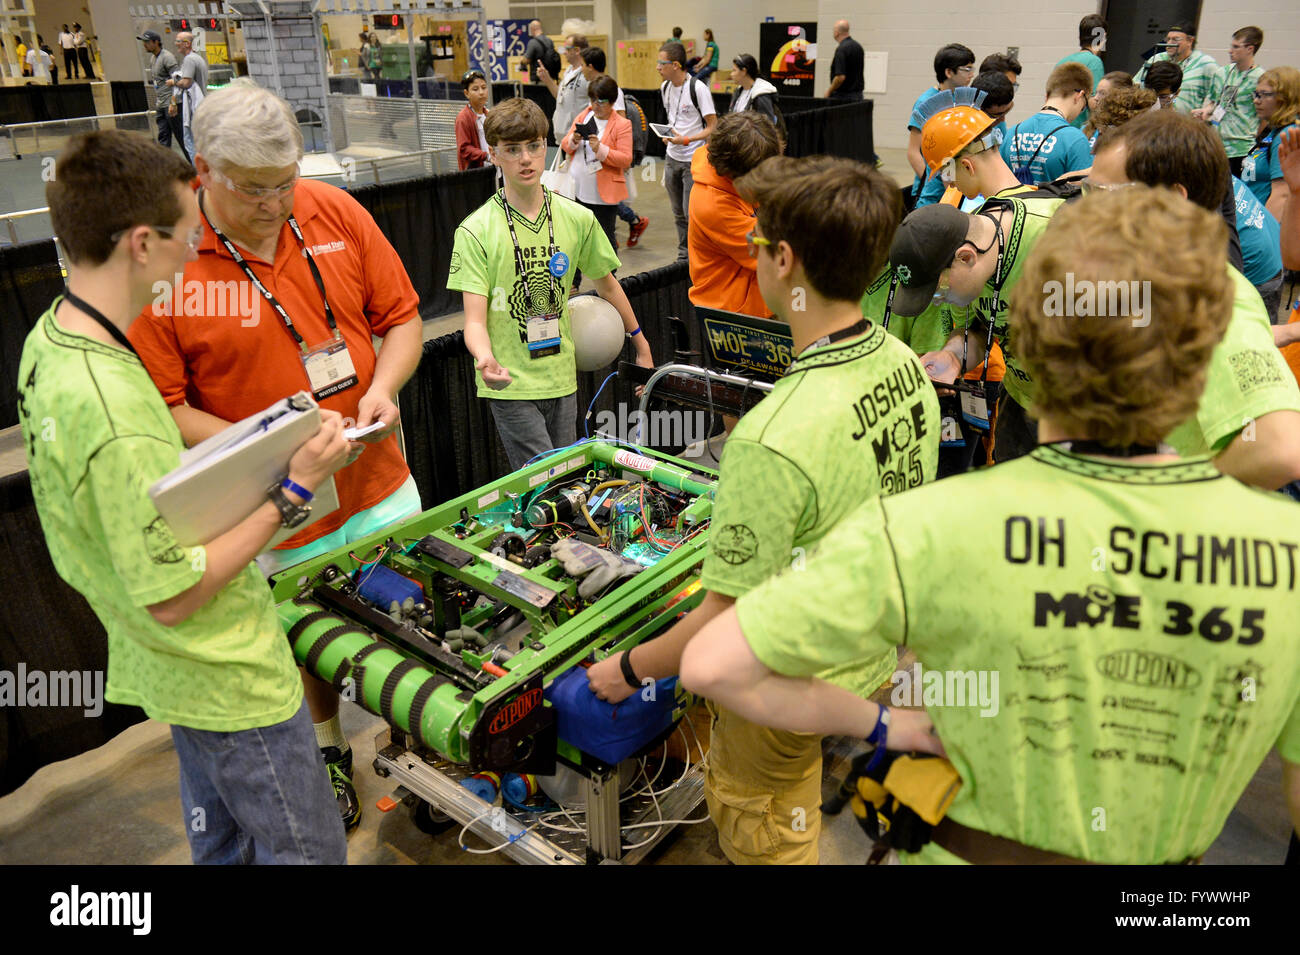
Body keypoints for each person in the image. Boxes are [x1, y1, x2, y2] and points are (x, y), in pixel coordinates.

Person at [680, 186, 1300, 866]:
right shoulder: (1285, 550)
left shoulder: (933, 526)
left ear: (1030, 337)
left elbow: (716, 662)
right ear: (1201, 360)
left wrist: (887, 721)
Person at [587, 155, 940, 865]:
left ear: (783, 260)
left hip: (791, 681)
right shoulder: (904, 365)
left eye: (755, 243)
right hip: (878, 645)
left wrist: (626, 668)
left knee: (769, 835)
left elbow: (722, 623)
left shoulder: (774, 435)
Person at [19, 129, 351, 865]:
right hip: (225, 675)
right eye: (187, 231)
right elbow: (172, 593)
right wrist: (293, 488)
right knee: (309, 851)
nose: (196, 244)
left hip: (175, 672)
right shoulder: (109, 404)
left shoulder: (55, 342)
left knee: (224, 847)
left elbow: (145, 511)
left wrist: (267, 440)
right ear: (143, 242)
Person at [128, 82, 425, 833]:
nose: (276, 202)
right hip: (281, 504)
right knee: (309, 640)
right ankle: (326, 744)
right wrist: (270, 448)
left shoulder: (333, 210)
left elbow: (402, 319)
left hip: (380, 479)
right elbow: (164, 406)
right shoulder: (166, 261)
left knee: (411, 623)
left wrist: (385, 387)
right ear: (203, 171)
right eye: (254, 189)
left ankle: (414, 748)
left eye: (286, 181)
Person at [448, 98, 652, 472]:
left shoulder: (576, 219)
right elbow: (474, 320)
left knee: (567, 480)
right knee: (545, 481)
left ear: (546, 146)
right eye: (512, 150)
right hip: (513, 386)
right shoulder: (476, 231)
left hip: (562, 378)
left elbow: (608, 285)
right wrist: (484, 356)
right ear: (493, 154)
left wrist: (641, 343)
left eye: (534, 146)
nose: (525, 159)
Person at [686, 111, 783, 317]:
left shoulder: (717, 156)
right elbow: (774, 255)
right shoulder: (715, 207)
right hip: (735, 316)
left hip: (758, 299)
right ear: (737, 174)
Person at [580, 46, 649, 247]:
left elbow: (620, 121)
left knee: (609, 197)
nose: (581, 69)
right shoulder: (595, 89)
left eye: (583, 65)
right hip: (596, 158)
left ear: (591, 66)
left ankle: (632, 222)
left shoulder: (611, 90)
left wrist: (607, 151)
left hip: (609, 158)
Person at [657, 41, 717, 261]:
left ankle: (698, 256)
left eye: (661, 63)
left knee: (691, 213)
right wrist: (670, 136)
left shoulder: (698, 88)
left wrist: (687, 139)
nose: (657, 67)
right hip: (672, 157)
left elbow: (713, 126)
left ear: (675, 64)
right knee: (677, 212)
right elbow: (674, 118)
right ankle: (684, 255)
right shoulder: (665, 88)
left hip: (694, 159)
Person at [560, 76, 632, 253]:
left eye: (601, 101)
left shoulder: (622, 124)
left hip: (603, 195)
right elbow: (565, 144)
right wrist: (573, 140)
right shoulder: (585, 114)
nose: (595, 105)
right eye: (592, 100)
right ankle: (574, 280)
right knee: (574, 239)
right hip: (576, 189)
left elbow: (625, 159)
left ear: (613, 101)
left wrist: (601, 150)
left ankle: (610, 280)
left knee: (605, 242)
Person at [1000, 62, 1093, 184]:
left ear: (1047, 95)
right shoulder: (1075, 140)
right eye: (1083, 107)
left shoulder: (1012, 132)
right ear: (1079, 96)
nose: (1080, 112)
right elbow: (1083, 196)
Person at [907, 44, 975, 204]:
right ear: (949, 72)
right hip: (930, 195)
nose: (971, 74)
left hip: (952, 186)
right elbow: (913, 152)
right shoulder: (926, 103)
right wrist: (931, 182)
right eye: (967, 69)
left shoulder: (959, 99)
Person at [1193, 27, 1264, 178]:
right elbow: (1213, 103)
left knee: (1237, 195)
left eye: (1236, 47)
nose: (1230, 50)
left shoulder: (1260, 79)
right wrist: (1206, 111)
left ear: (1250, 49)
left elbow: (1264, 117)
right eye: (1231, 46)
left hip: (1243, 149)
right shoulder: (1221, 73)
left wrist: (1254, 138)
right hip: (1215, 146)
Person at [1242, 67, 1299, 223]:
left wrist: (1267, 237)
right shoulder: (1272, 131)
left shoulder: (1287, 134)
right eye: (1256, 94)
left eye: (1264, 95)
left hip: (1266, 226)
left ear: (1285, 98)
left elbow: (1282, 194)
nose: (1256, 100)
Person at [1135, 22, 1218, 115]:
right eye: (1168, 39)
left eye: (1175, 39)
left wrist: (1206, 110)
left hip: (1185, 123)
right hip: (1154, 119)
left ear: (1190, 41)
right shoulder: (1157, 58)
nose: (1169, 43)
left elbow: (1218, 97)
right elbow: (1136, 84)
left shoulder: (1206, 64)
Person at [1055, 13, 1106, 129]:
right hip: (1077, 128)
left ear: (1080, 36)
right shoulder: (1094, 62)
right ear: (1102, 37)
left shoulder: (1063, 61)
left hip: (1056, 125)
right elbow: (1095, 102)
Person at [138, 31, 184, 158]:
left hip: (172, 105)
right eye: (144, 42)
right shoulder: (153, 58)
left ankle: (194, 168)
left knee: (182, 138)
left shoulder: (167, 57)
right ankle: (165, 167)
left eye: (147, 42)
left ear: (156, 42)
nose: (144, 45)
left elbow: (178, 80)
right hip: (161, 104)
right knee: (163, 138)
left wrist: (173, 103)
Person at [537, 33, 588, 145]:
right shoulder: (568, 71)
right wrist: (547, 79)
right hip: (562, 135)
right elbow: (559, 96)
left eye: (567, 49)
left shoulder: (587, 75)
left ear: (577, 50)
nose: (564, 52)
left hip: (578, 138)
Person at [171, 32, 209, 160]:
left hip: (194, 108)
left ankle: (199, 174)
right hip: (201, 106)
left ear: (187, 43)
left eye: (178, 41)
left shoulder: (189, 60)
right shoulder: (197, 58)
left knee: (192, 142)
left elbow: (186, 83)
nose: (176, 44)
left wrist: (173, 82)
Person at [729, 54, 782, 135]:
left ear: (744, 71)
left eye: (734, 70)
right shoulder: (738, 91)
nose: (731, 74)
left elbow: (767, 126)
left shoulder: (761, 94)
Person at [1083, 71, 1137, 147]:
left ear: (1120, 97)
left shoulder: (1130, 133)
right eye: (1096, 92)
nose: (1095, 98)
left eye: (1103, 93)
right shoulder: (1088, 127)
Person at [455, 69, 491, 170]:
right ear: (467, 93)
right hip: (476, 172)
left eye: (484, 88)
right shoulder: (463, 118)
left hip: (493, 168)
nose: (481, 92)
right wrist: (486, 156)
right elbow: (464, 149)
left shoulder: (489, 114)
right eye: (475, 89)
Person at [825, 19, 864, 102]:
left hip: (843, 97)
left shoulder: (841, 49)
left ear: (837, 32)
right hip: (858, 96)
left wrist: (829, 91)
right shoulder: (858, 47)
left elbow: (840, 77)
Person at [523, 20, 555, 85]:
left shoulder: (533, 42)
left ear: (532, 29)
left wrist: (521, 61)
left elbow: (526, 60)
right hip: (550, 78)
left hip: (537, 80)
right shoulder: (549, 41)